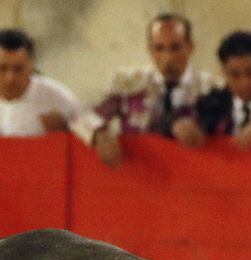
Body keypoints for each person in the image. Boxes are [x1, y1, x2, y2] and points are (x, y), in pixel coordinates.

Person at [72, 13, 220, 164]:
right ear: (150, 50)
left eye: (175, 48)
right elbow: (80, 115)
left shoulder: (211, 88)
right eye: (159, 48)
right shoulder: (128, 85)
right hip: (140, 178)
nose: (167, 57)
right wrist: (99, 133)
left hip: (195, 177)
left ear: (190, 48)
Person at [0, 29, 80, 137]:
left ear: (32, 64)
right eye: (2, 68)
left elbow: (81, 150)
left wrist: (63, 133)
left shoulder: (59, 99)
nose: (9, 78)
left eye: (18, 69)